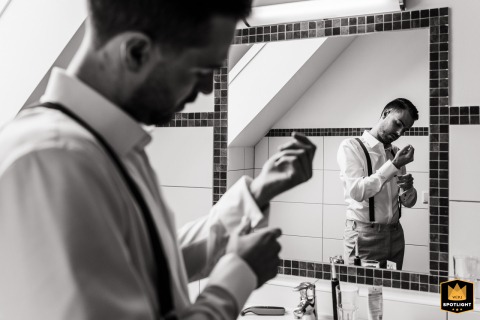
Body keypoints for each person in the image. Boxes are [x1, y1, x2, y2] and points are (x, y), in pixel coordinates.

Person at [0, 1, 316, 319]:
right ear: (136, 51)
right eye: (201, 70)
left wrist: (258, 191)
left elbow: (154, 264)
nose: (207, 87)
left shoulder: (110, 149)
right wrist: (235, 278)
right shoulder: (53, 162)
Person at [337, 98, 418, 270]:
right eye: (398, 123)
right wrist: (393, 165)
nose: (399, 132)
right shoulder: (352, 147)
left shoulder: (396, 153)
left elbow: (408, 202)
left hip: (395, 235)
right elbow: (357, 191)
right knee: (359, 290)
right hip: (364, 235)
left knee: (393, 291)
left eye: (405, 129)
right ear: (385, 114)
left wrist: (409, 188)